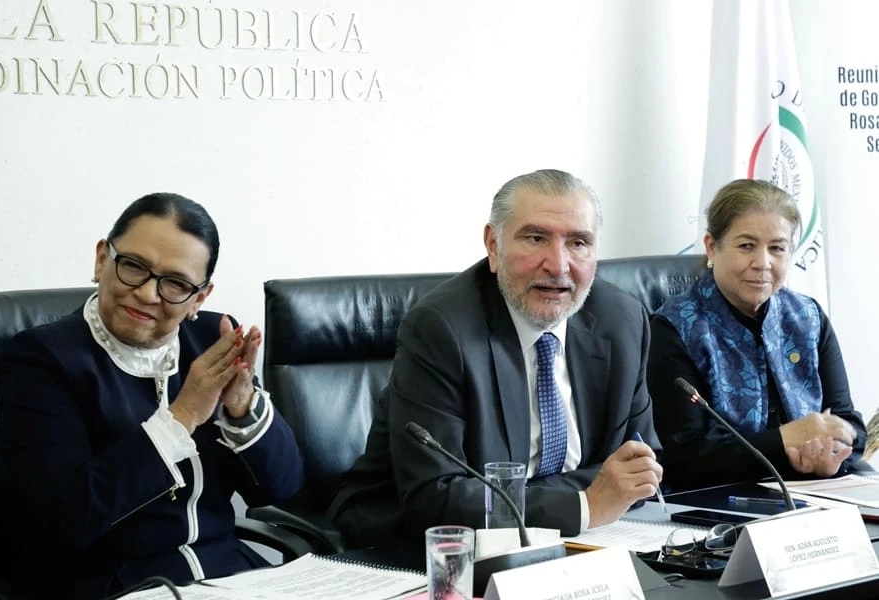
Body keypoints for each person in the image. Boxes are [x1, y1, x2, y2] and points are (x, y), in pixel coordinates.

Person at [329, 169, 662, 545]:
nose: (558, 265)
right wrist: (584, 504)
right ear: (493, 245)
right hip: (417, 545)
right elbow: (434, 496)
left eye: (578, 243)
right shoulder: (442, 329)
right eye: (536, 238)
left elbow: (638, 467)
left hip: (581, 539)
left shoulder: (622, 320)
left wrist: (590, 499)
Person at [0, 193, 304, 598]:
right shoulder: (43, 359)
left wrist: (243, 404)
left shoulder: (214, 341)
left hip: (230, 576)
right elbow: (64, 519)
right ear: (102, 259)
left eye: (175, 283)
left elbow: (281, 489)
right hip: (112, 586)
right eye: (134, 267)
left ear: (200, 298)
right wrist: (182, 416)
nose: (147, 293)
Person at [648, 179, 868, 490]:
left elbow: (852, 427)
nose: (762, 264)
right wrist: (786, 440)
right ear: (712, 246)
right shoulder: (674, 328)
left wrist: (831, 453)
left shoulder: (808, 316)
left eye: (777, 248)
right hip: (724, 502)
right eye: (746, 246)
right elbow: (685, 456)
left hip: (819, 490)